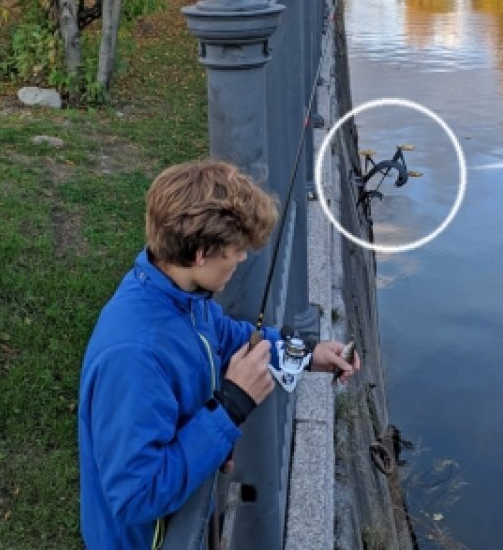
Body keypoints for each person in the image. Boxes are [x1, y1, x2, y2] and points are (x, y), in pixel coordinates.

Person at [78, 160, 359, 549]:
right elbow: (135, 496)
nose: (242, 258)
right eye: (237, 249)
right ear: (202, 253)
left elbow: (228, 337)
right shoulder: (134, 357)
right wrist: (230, 407)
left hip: (188, 516)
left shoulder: (181, 297)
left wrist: (307, 354)